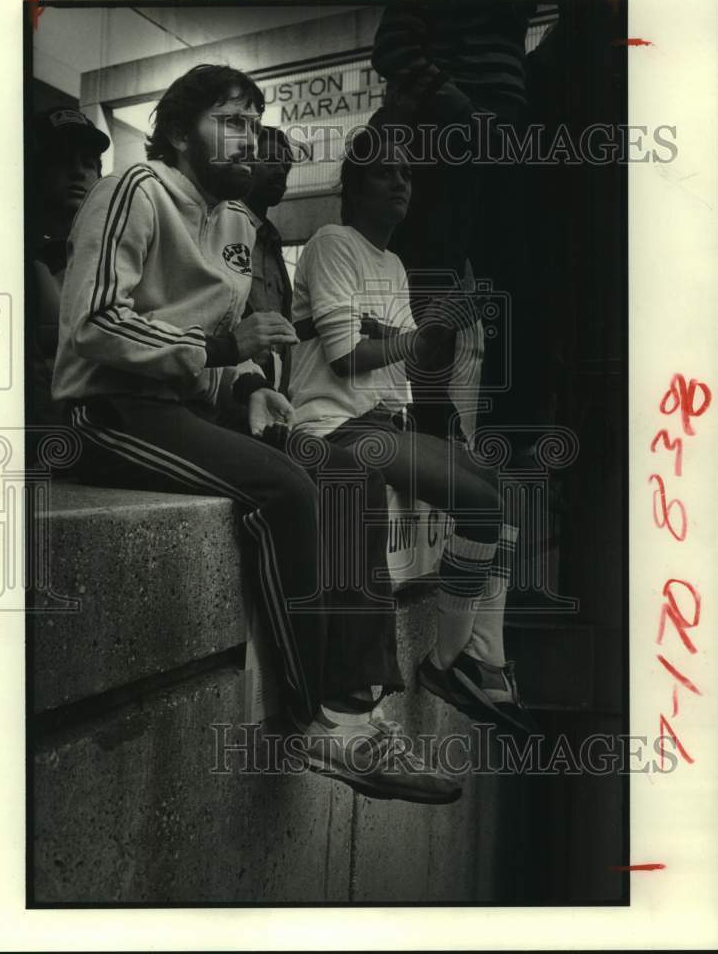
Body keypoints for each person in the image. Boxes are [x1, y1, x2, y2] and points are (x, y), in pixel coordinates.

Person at [52, 64, 461, 804]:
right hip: (111, 412)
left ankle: (354, 704)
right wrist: (218, 352)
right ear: (178, 134)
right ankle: (311, 722)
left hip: (188, 407)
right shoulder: (135, 191)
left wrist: (250, 389)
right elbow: (94, 324)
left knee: (347, 472)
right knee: (284, 491)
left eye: (254, 121)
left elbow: (217, 351)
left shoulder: (230, 224)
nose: (249, 136)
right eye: (230, 120)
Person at [289, 124, 536, 736]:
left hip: (384, 421)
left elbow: (403, 360)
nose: (401, 182)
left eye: (407, 172)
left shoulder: (393, 262)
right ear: (353, 187)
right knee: (478, 502)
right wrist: (418, 336)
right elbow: (349, 355)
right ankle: (446, 664)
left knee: (499, 491)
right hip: (335, 426)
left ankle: (485, 657)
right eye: (385, 172)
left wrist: (428, 342)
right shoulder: (331, 243)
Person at [371, 0, 539, 442]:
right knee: (433, 278)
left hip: (498, 128)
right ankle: (429, 417)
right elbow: (392, 48)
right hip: (455, 126)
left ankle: (490, 433)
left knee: (506, 286)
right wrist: (459, 104)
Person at [29, 107, 110, 426]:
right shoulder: (17, 262)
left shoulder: (116, 262)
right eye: (64, 160)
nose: (78, 173)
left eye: (89, 164)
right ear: (37, 171)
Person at [242, 125, 294, 395]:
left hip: (270, 394)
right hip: (228, 386)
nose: (281, 172)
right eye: (272, 159)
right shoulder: (219, 229)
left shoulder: (273, 244)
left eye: (286, 167)